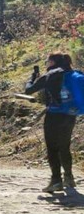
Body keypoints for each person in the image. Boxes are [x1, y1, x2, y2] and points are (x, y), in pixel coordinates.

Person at [26, 52, 76, 192]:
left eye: (47, 61)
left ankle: (56, 181)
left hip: (54, 116)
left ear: (53, 62)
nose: (46, 64)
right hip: (70, 115)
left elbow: (29, 90)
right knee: (65, 146)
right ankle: (69, 177)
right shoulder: (71, 74)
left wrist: (32, 78)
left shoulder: (50, 75)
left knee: (52, 148)